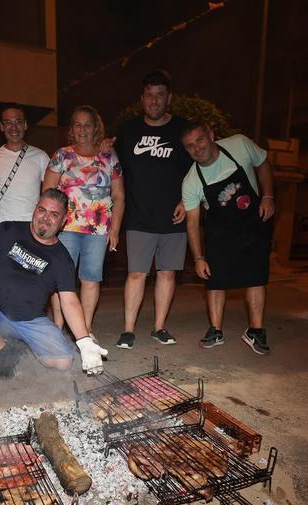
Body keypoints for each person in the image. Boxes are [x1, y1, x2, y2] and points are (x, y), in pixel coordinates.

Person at [0, 189, 108, 380]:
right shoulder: (8, 230)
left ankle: (24, 341)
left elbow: (69, 302)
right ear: (35, 210)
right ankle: (5, 350)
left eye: (54, 214)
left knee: (63, 363)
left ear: (63, 221)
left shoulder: (62, 259)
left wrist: (84, 341)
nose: (45, 218)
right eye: (42, 210)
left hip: (30, 320)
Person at [180, 122, 276, 354]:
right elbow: (192, 223)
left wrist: (268, 196)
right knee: (215, 280)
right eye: (190, 146)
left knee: (255, 276)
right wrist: (199, 257)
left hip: (252, 222)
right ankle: (215, 329)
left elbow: (262, 163)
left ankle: (255, 331)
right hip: (219, 231)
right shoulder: (191, 180)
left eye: (200, 140)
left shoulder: (239, 144)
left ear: (211, 136)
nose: (197, 148)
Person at [113, 70, 192, 349]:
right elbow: (114, 165)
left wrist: (187, 201)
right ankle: (128, 330)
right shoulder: (129, 130)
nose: (154, 101)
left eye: (160, 95)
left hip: (174, 217)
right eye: (149, 95)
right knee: (136, 273)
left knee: (168, 273)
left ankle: (159, 328)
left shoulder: (182, 129)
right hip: (139, 216)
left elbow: (195, 169)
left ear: (168, 98)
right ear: (142, 98)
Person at [42, 105, 124, 338]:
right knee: (61, 279)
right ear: (72, 129)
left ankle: (85, 331)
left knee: (90, 278)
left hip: (98, 230)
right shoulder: (62, 155)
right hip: (65, 228)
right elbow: (48, 192)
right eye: (77, 124)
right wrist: (49, 227)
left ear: (95, 127)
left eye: (87, 124)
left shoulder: (109, 157)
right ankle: (58, 329)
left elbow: (119, 195)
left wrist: (115, 228)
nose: (82, 129)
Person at [0, 104, 49, 228]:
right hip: (1, 227)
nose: (13, 128)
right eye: (8, 122)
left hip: (31, 228)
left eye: (18, 122)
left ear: (25, 125)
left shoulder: (41, 156)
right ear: (1, 127)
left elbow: (51, 193)